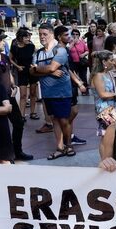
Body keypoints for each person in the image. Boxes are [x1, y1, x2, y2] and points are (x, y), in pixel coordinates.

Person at [0, 31, 33, 161]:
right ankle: (4, 155)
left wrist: (13, 85)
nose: (3, 43)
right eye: (0, 40)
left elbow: (9, 72)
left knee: (18, 123)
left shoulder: (4, 57)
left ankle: (17, 151)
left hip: (9, 97)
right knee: (1, 129)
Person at [31, 23, 75, 160]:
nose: (42, 37)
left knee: (64, 120)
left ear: (51, 34)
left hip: (62, 92)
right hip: (47, 93)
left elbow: (51, 68)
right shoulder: (38, 53)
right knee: (55, 120)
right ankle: (60, 148)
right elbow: (31, 72)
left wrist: (39, 68)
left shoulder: (60, 50)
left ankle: (69, 146)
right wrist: (46, 70)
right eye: (40, 34)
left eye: (44, 34)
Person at [9, 29, 39, 119]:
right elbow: (10, 59)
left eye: (29, 36)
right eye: (26, 37)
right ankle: (22, 115)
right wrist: (18, 66)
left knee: (33, 93)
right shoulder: (14, 47)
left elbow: (35, 57)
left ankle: (33, 112)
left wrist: (35, 66)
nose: (28, 38)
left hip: (32, 71)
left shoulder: (31, 46)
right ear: (21, 38)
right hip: (22, 71)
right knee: (23, 95)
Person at [90, 50, 116, 137]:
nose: (113, 62)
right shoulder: (98, 75)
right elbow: (102, 94)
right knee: (107, 135)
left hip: (112, 107)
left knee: (112, 133)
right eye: (111, 60)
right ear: (104, 62)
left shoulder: (109, 73)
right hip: (104, 109)